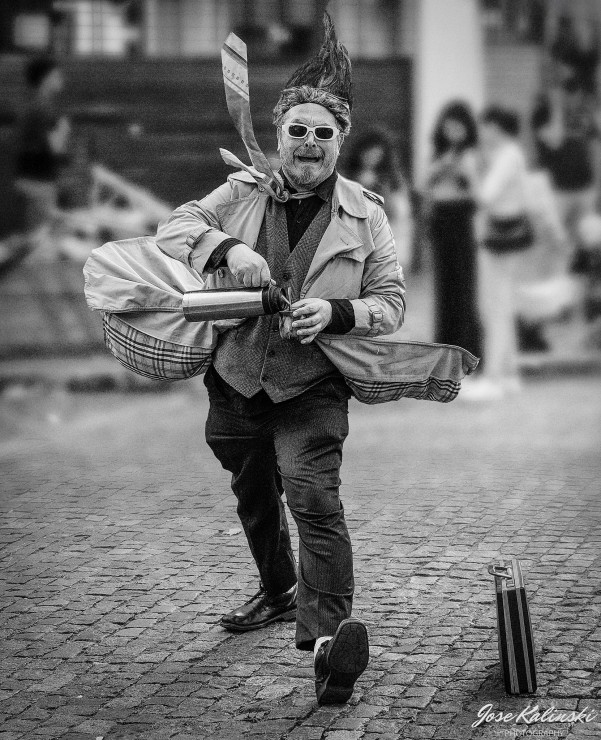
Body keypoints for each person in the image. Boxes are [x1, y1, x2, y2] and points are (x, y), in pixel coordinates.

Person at [155, 15, 405, 705]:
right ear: (278, 132)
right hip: (236, 374)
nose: (309, 143)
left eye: (323, 134)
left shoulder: (366, 215)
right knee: (250, 483)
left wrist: (338, 312)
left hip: (313, 383)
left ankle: (328, 646)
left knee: (312, 495)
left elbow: (390, 300)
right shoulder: (242, 191)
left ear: (340, 142)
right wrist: (226, 249)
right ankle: (276, 586)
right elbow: (175, 226)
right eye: (297, 130)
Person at [469, 106, 532, 400]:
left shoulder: (507, 155)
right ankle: (509, 375)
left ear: (495, 126)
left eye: (485, 126)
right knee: (501, 306)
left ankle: (495, 377)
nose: (481, 132)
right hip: (506, 237)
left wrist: (471, 173)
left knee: (495, 307)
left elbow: (486, 196)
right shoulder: (511, 154)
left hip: (500, 239)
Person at [423, 101, 481, 357]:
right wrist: (438, 168)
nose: (453, 133)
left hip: (462, 217)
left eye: (458, 127)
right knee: (444, 283)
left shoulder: (472, 154)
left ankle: (467, 344)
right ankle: (445, 342)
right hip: (440, 218)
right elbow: (424, 186)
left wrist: (462, 171)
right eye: (449, 127)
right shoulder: (437, 153)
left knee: (464, 282)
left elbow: (479, 192)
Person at [14, 57, 70, 239]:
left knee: (37, 235)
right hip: (39, 183)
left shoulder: (31, 105)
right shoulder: (44, 109)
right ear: (45, 79)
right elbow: (56, 149)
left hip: (28, 179)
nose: (61, 79)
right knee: (40, 239)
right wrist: (64, 128)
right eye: (56, 75)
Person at [344, 126, 413, 266]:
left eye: (376, 154)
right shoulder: (346, 178)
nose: (371, 157)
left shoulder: (392, 180)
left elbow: (400, 213)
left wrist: (383, 194)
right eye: (367, 152)